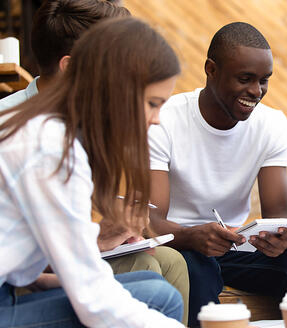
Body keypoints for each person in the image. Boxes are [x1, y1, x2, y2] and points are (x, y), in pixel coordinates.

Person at [0, 0, 189, 323]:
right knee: (158, 300)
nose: (157, 120)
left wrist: (97, 238)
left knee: (154, 287)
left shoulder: (52, 132)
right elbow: (93, 301)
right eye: (151, 103)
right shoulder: (50, 147)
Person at [148, 22, 287, 327]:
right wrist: (192, 236)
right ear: (211, 69)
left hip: (236, 247)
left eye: (264, 81)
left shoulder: (271, 124)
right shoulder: (165, 118)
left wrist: (281, 238)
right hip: (182, 245)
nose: (256, 91)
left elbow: (279, 218)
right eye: (245, 79)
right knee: (198, 272)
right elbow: (150, 221)